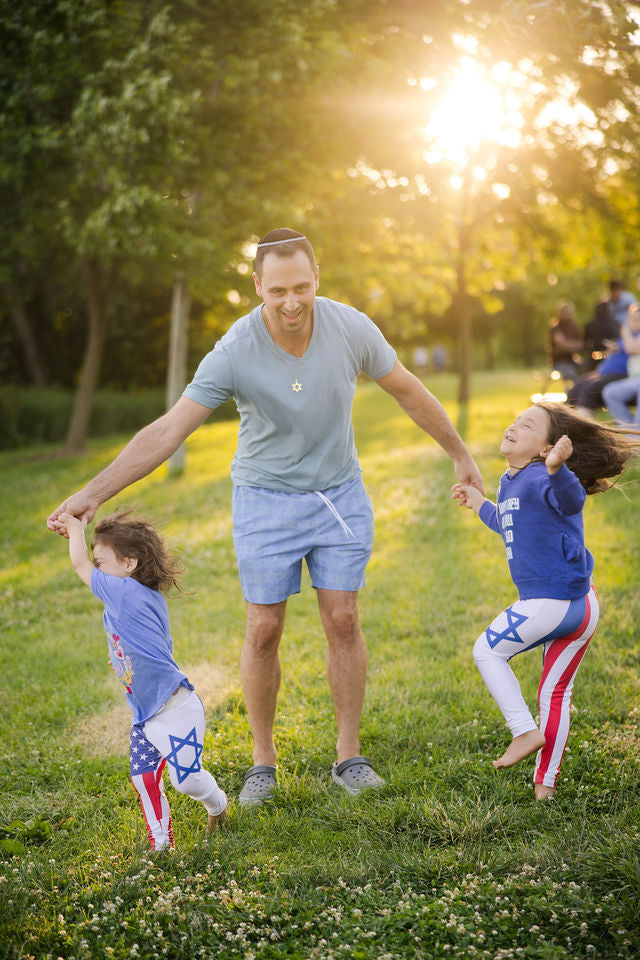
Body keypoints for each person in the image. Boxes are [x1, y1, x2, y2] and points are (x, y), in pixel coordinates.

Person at [48, 228, 483, 805]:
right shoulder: (234, 349)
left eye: (301, 286)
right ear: (257, 286)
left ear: (317, 277)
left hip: (337, 494)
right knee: (263, 629)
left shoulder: (351, 327)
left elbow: (406, 390)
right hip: (265, 498)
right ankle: (262, 763)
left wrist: (459, 453)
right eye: (277, 290)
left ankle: (349, 758)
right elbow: (168, 431)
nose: (291, 302)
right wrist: (91, 493)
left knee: (344, 620)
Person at [452, 402, 638, 800]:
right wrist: (477, 502)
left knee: (486, 651)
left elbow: (571, 502)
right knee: (554, 696)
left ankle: (523, 731)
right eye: (515, 419)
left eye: (528, 424)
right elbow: (508, 521)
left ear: (545, 448)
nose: (514, 425)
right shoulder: (510, 481)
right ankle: (545, 787)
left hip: (553, 603)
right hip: (581, 606)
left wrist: (557, 468)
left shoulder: (546, 477)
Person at [53, 510, 228, 849]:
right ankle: (161, 845)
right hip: (145, 714)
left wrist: (76, 528)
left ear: (129, 564)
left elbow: (79, 566)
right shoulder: (138, 597)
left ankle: (217, 804)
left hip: (176, 709)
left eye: (101, 562)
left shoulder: (124, 592)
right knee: (143, 778)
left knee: (187, 781)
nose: (96, 569)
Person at [567, 304, 640, 416]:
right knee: (577, 388)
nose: (635, 323)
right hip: (605, 372)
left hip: (620, 374)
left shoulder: (631, 336)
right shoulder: (627, 336)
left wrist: (624, 332)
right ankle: (565, 421)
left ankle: (582, 426)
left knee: (590, 390)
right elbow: (614, 356)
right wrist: (612, 350)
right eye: (633, 319)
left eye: (638, 320)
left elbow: (631, 349)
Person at [546, 301, 583, 383]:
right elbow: (562, 344)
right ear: (560, 314)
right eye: (565, 314)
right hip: (559, 362)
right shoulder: (555, 327)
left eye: (569, 313)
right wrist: (573, 344)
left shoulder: (574, 326)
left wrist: (567, 343)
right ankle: (572, 394)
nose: (567, 316)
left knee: (587, 371)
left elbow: (580, 344)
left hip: (572, 360)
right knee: (572, 375)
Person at [581, 301, 620, 373]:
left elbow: (585, 343)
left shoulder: (590, 324)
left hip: (595, 357)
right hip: (610, 357)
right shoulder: (615, 324)